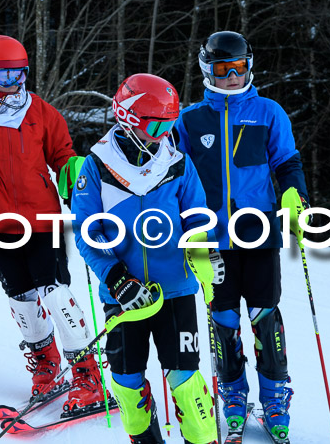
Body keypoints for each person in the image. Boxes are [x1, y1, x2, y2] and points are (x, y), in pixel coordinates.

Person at [0, 34, 109, 414]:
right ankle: (47, 368)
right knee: (21, 298)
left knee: (54, 292)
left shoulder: (42, 113)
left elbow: (63, 156)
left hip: (43, 220)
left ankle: (86, 375)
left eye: (21, 74)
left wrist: (74, 177)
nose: (15, 84)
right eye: (5, 77)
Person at [71, 73, 222, 444]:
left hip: (175, 291)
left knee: (187, 385)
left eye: (170, 124)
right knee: (125, 386)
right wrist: (116, 279)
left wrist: (206, 254)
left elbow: (198, 219)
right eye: (157, 124)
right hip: (125, 296)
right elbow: (87, 232)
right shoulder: (96, 166)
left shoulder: (178, 164)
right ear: (128, 117)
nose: (164, 133)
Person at [175, 31, 310, 441]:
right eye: (223, 70)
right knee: (223, 319)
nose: (232, 78)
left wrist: (294, 192)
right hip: (212, 237)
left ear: (249, 68)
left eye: (238, 69)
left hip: (259, 232)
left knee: (264, 317)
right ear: (206, 70)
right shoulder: (188, 120)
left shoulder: (269, 112)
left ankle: (274, 395)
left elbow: (287, 161)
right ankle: (232, 393)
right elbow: (172, 173)